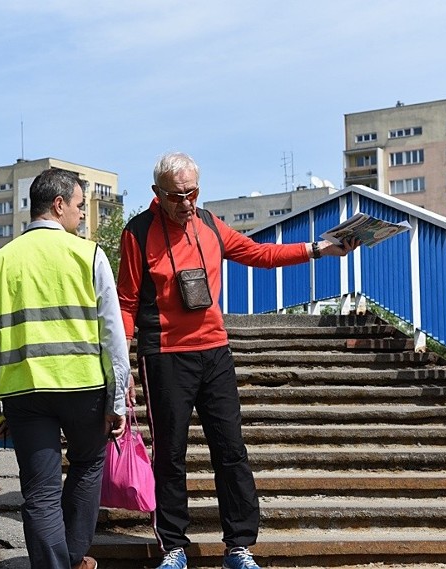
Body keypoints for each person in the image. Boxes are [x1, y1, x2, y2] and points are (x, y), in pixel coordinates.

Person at [117, 152, 359, 569]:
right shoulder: (138, 233)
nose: (188, 202)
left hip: (214, 352)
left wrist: (319, 249)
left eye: (194, 192)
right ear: (157, 193)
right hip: (165, 356)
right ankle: (173, 547)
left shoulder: (209, 224)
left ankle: (239, 547)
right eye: (178, 196)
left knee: (231, 450)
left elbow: (258, 254)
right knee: (170, 455)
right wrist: (122, 369)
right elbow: (125, 302)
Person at [0, 168, 131, 569]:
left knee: (40, 493)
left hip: (24, 392)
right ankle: (75, 557)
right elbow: (112, 334)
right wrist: (118, 398)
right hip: (85, 388)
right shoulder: (89, 255)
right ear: (59, 205)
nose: (82, 216)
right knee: (88, 465)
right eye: (79, 206)